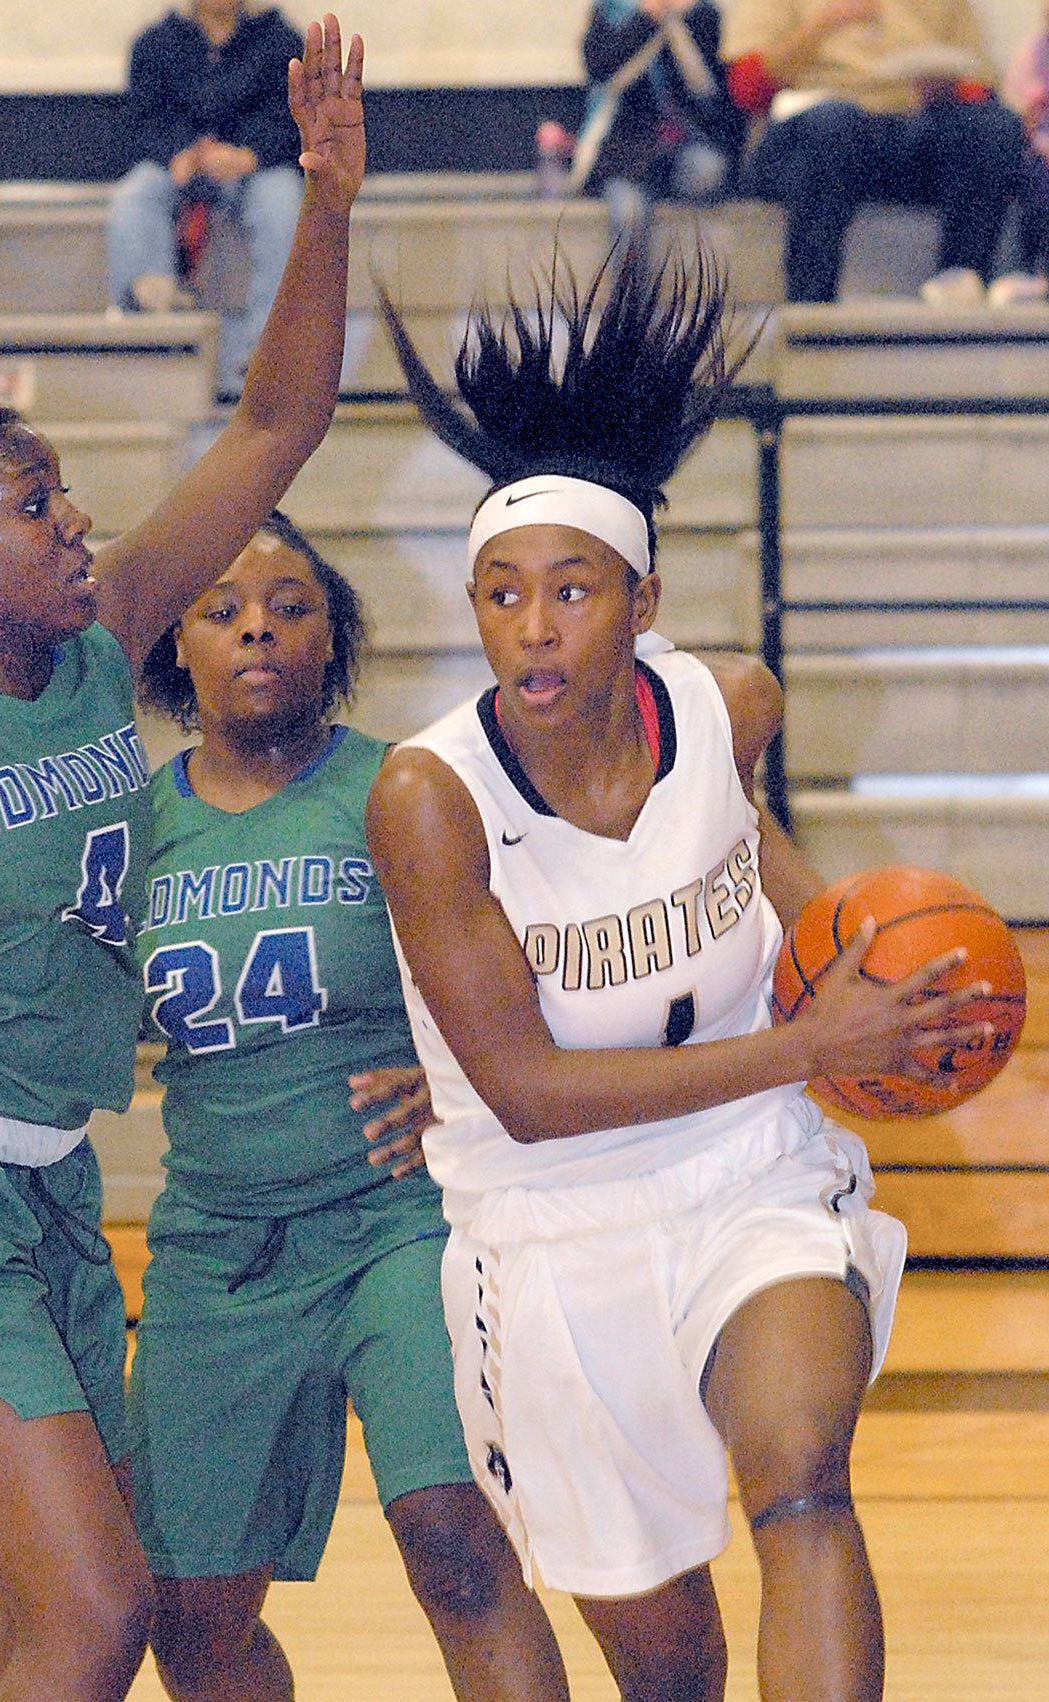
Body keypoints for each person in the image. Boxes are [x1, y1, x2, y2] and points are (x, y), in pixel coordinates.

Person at [0, 18, 363, 1700]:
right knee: (90, 1608)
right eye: (37, 506)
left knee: (94, 1594)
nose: (81, 522)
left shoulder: (106, 634)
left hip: (34, 1179)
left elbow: (280, 417)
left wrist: (326, 193)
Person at [366, 248, 991, 1699]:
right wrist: (815, 1037)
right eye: (501, 592)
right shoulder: (431, 797)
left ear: (641, 599)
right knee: (668, 1667)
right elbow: (522, 1093)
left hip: (749, 1167)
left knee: (805, 1487)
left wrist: (866, 952)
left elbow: (741, 829)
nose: (533, 622)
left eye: (570, 589)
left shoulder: (727, 703)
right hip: (549, 1226)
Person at [129, 510, 569, 1700]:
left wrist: (464, 1063)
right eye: (219, 610)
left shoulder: (404, 790)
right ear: (176, 646)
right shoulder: (128, 829)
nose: (256, 625)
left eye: (289, 604)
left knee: (452, 1537)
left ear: (333, 640)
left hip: (398, 1217)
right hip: (214, 1245)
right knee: (189, 1610)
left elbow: (559, 958)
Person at [720, 0, 1023, 305]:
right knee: (835, 124)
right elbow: (746, 88)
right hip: (810, 127)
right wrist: (824, 24)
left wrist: (948, 89)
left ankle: (960, 288)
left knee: (996, 126)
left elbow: (979, 83)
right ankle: (811, 311)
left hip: (907, 121)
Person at [107, 1, 307, 398]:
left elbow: (290, 119)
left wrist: (248, 155)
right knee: (133, 196)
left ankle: (267, 355)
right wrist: (178, 153)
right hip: (180, 167)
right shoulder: (156, 43)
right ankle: (153, 337)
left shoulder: (281, 42)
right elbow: (140, 121)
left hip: (253, 168)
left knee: (283, 200)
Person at [577, 1, 744, 258]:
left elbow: (707, 87)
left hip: (682, 145)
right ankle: (629, 298)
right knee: (628, 215)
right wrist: (647, 18)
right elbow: (600, 69)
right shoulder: (609, 11)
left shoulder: (703, 14)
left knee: (709, 172)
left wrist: (679, 23)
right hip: (623, 155)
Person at [992, 4, 1049, 305]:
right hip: (1037, 152)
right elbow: (1012, 104)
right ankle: (1030, 271)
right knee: (1037, 184)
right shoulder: (1034, 51)